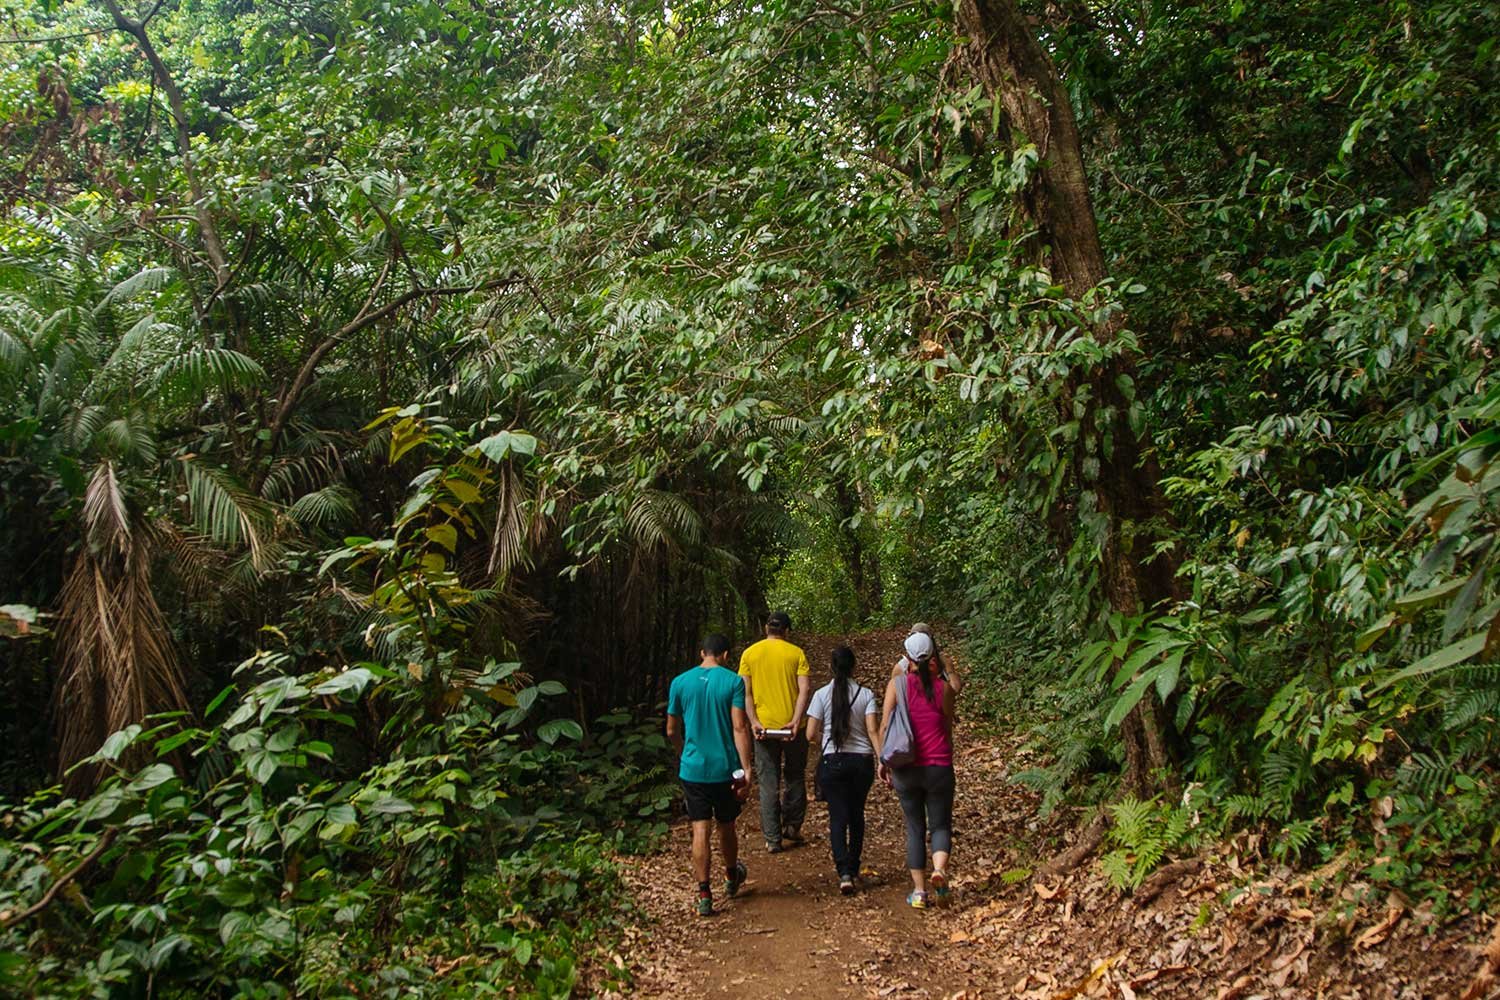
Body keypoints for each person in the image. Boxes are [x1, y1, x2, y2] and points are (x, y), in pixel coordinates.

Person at [666, 633, 756, 916]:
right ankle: (731, 877)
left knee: (699, 828)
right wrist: (747, 768)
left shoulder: (679, 683)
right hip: (725, 769)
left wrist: (682, 752)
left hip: (693, 768)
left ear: (701, 652)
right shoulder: (732, 682)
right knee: (726, 824)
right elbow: (739, 727)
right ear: (726, 655)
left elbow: (671, 729)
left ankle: (704, 893)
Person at [878, 630, 957, 909]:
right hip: (939, 766)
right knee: (940, 824)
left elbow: (886, 725)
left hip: (906, 766)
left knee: (914, 827)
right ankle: (939, 870)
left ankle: (920, 893)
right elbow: (947, 727)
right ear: (932, 656)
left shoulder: (897, 685)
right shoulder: (944, 689)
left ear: (908, 657)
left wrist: (882, 760)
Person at [805, 644, 880, 894]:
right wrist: (882, 760)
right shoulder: (866, 694)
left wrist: (824, 742)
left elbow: (809, 734)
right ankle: (854, 865)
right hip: (861, 763)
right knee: (857, 815)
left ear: (831, 666)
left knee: (838, 817)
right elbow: (872, 730)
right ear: (854, 667)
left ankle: (844, 873)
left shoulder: (821, 694)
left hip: (833, 762)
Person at [738, 611, 812, 852]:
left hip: (764, 727)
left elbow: (745, 692)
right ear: (787, 631)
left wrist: (754, 722)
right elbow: (804, 690)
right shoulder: (796, 653)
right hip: (793, 728)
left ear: (766, 628)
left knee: (769, 781)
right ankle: (792, 826)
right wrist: (795, 719)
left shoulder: (750, 654)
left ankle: (772, 838)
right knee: (795, 775)